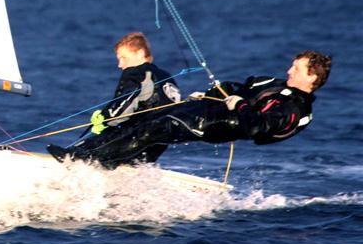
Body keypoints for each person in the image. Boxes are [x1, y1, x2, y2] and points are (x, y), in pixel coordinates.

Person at [48, 50, 332, 169]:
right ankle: (111, 159)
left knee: (159, 127)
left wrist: (240, 105)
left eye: (295, 68)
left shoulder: (295, 107)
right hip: (209, 111)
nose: (288, 70)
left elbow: (257, 127)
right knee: (146, 118)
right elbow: (236, 86)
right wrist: (210, 95)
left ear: (311, 77)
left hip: (221, 126)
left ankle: (85, 160)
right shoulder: (273, 82)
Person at [79, 32, 181, 163]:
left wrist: (104, 118)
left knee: (84, 153)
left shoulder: (136, 73)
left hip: (136, 138)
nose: (120, 65)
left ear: (139, 53)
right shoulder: (166, 76)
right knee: (137, 162)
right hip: (160, 142)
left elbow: (124, 105)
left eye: (123, 58)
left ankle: (74, 158)